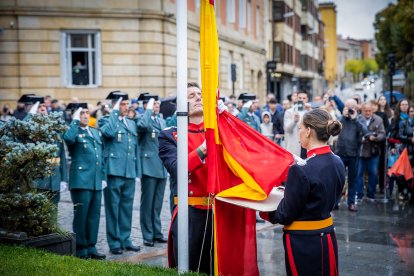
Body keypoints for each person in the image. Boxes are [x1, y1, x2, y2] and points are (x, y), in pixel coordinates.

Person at [260, 108, 344, 275]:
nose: (298, 132)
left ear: (308, 131)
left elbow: (285, 214)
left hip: (303, 240)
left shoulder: (300, 170)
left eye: (299, 128)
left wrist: (263, 208)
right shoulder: (338, 161)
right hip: (327, 235)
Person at [158, 82, 212, 274]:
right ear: (181, 105)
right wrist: (205, 147)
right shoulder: (169, 135)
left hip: (219, 212)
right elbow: (177, 168)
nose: (198, 97)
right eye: (191, 96)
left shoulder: (217, 132)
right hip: (190, 212)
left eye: (200, 94)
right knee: (190, 267)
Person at [98, 91, 141, 255]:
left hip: (129, 171)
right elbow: (108, 132)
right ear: (115, 105)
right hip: (114, 171)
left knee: (126, 207)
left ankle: (126, 238)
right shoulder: (106, 120)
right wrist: (114, 112)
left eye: (126, 103)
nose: (126, 106)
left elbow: (134, 148)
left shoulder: (131, 123)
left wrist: (136, 172)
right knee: (113, 208)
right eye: (122, 103)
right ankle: (114, 241)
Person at [63, 103, 106, 259]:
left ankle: (91, 246)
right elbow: (68, 139)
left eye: (87, 112)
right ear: (76, 115)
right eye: (82, 113)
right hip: (81, 180)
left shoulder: (94, 132)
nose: (86, 116)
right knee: (81, 216)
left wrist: (103, 177)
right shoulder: (73, 131)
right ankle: (81, 248)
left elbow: (101, 157)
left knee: (94, 215)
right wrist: (74, 121)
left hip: (95, 181)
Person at [137, 94, 168, 247]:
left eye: (157, 104)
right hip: (149, 167)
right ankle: (147, 234)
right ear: (146, 106)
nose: (157, 106)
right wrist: (147, 110)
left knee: (157, 204)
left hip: (161, 167)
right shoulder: (144, 119)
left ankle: (157, 232)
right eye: (153, 104)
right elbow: (142, 126)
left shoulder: (161, 121)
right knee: (147, 203)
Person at [28, 96, 68, 207]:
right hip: (38, 181)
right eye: (39, 107)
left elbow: (61, 155)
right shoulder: (30, 129)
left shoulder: (54, 130)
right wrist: (31, 114)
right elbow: (21, 131)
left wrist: (64, 179)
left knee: (53, 214)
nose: (42, 109)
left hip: (54, 180)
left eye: (44, 107)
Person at [335, 99, 365, 212]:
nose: (350, 110)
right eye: (347, 107)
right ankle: (335, 202)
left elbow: (364, 131)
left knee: (352, 179)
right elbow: (334, 129)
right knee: (338, 179)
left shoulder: (359, 119)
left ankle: (351, 203)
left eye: (351, 107)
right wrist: (342, 116)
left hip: (353, 154)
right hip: (340, 153)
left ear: (356, 108)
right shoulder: (341, 119)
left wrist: (355, 119)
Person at [355, 102, 386, 202]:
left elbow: (382, 134)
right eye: (366, 111)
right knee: (358, 173)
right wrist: (360, 138)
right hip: (360, 151)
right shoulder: (357, 119)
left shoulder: (378, 119)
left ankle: (371, 195)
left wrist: (375, 137)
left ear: (372, 110)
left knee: (373, 173)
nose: (368, 113)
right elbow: (354, 133)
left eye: (369, 111)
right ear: (362, 110)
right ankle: (359, 195)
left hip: (373, 151)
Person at [283, 91, 311, 158]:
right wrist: (294, 121)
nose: (302, 100)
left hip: (307, 146)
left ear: (307, 99)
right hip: (295, 145)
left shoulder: (310, 111)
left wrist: (310, 110)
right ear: (296, 99)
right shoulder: (289, 112)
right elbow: (287, 129)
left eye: (304, 98)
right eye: (300, 98)